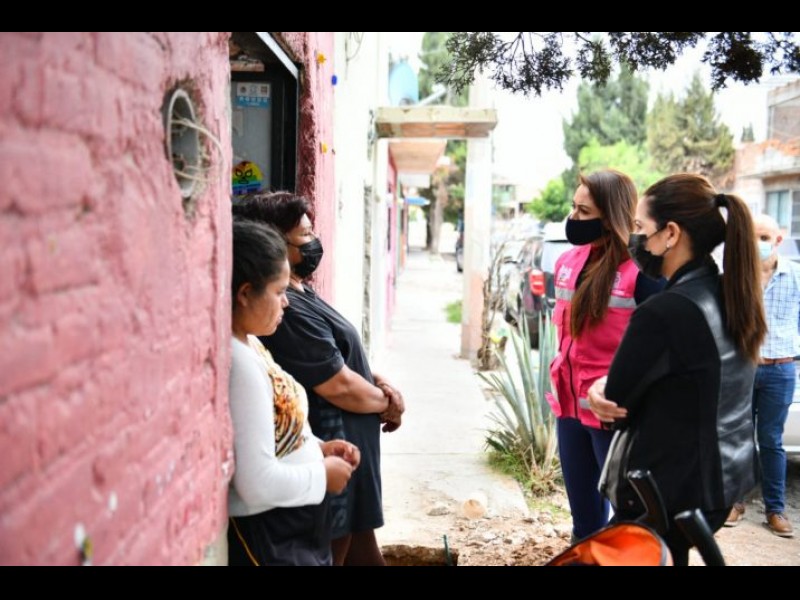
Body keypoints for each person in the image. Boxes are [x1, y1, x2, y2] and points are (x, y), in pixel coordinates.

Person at [587, 173, 766, 566]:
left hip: (664, 495)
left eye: (640, 227)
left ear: (670, 233)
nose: (634, 238)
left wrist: (597, 388)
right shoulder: (729, 292)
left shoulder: (665, 312)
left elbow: (616, 405)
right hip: (719, 486)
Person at [232, 192, 405, 566]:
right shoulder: (246, 359)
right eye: (305, 235)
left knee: (356, 551)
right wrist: (386, 404)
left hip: (326, 464)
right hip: (291, 509)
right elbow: (336, 383)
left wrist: (319, 449)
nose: (285, 301)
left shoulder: (259, 338)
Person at [228, 219, 360, 566]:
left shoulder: (252, 344)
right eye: (278, 291)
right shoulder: (239, 365)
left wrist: (317, 448)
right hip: (271, 535)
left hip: (293, 529)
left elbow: (274, 428)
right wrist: (322, 475)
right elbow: (255, 483)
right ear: (245, 294)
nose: (286, 302)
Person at [546, 169, 663, 542]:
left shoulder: (642, 273)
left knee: (630, 522)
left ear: (611, 217)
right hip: (569, 410)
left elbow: (661, 349)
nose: (573, 219)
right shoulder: (567, 262)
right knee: (584, 523)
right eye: (574, 208)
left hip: (612, 415)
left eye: (584, 212)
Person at [724, 214, 799, 537]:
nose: (758, 243)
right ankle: (735, 503)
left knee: (771, 440)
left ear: (778, 240)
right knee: (738, 438)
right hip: (743, 368)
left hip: (781, 370)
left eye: (765, 238)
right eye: (753, 237)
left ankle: (775, 510)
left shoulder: (795, 275)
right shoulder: (736, 276)